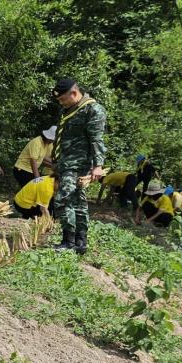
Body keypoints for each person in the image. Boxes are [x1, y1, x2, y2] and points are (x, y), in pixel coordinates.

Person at [49, 77, 107, 254]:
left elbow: (96, 139)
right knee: (78, 202)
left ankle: (69, 241)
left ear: (74, 93)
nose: (61, 103)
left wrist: (98, 165)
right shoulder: (68, 110)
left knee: (62, 200)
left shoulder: (92, 109)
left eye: (63, 99)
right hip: (66, 163)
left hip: (78, 164)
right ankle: (80, 243)